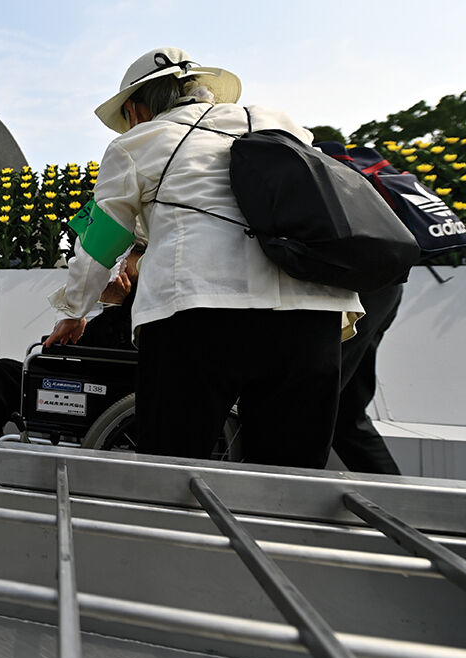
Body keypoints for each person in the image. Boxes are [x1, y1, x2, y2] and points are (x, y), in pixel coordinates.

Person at [46, 48, 363, 468]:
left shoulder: (138, 142)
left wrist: (74, 310)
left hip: (197, 313)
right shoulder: (278, 123)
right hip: (312, 313)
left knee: (170, 473)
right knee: (290, 484)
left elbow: (100, 240)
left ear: (135, 109)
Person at [0, 243, 143, 441]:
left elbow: (108, 349)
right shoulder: (140, 296)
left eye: (127, 257)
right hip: (100, 384)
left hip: (99, 393)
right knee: (9, 370)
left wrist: (111, 304)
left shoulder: (133, 299)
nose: (120, 264)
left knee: (2, 375)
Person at [332, 285, 403, 473]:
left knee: (310, 404)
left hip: (346, 293)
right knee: (346, 413)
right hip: (381, 283)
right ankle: (396, 497)